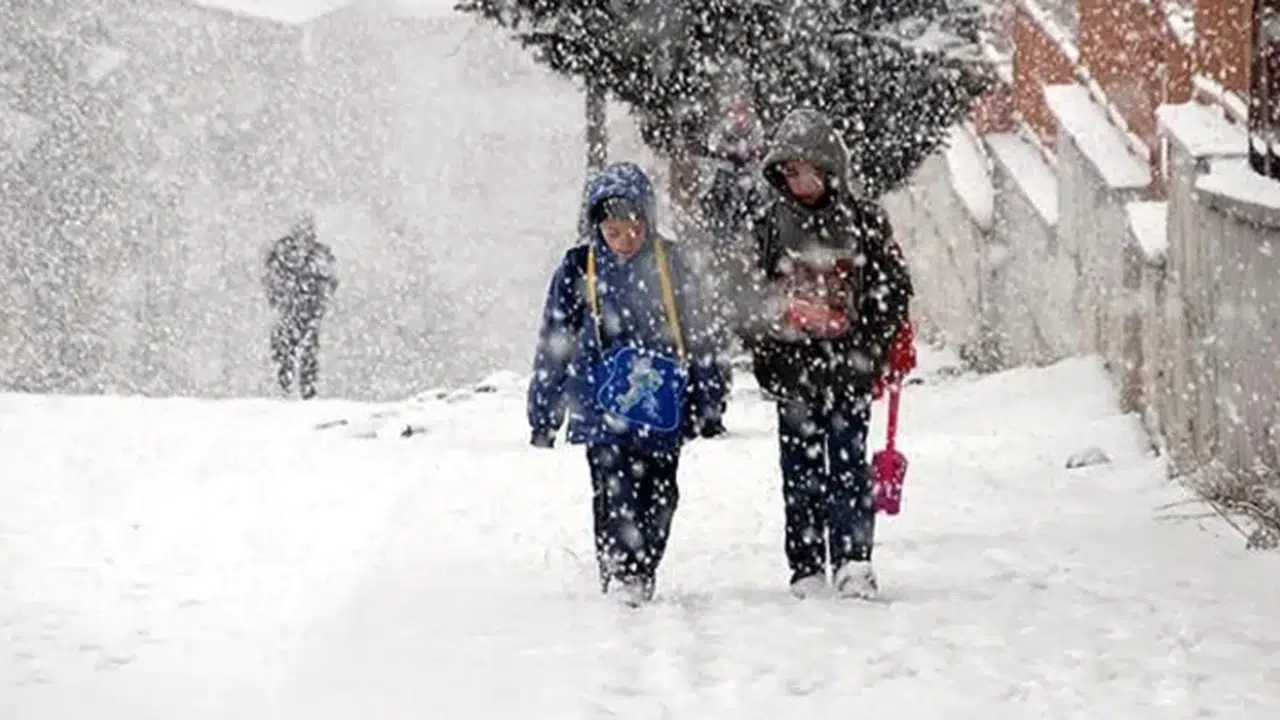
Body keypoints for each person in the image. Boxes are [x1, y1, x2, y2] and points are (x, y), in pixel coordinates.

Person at [733, 108, 916, 600]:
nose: (795, 181)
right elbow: (746, 293)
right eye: (787, 172)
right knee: (801, 470)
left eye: (803, 170)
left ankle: (855, 559)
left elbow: (892, 289)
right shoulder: (769, 223)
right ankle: (807, 564)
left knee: (849, 465)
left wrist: (871, 345)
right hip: (794, 371)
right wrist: (771, 339)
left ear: (827, 166)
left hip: (848, 368)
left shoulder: (863, 220)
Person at [527, 161, 726, 607]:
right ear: (598, 227)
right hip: (600, 401)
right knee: (612, 488)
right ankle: (620, 570)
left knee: (661, 491)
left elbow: (701, 333)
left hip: (662, 402)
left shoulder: (671, 264)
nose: (624, 241)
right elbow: (554, 339)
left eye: (633, 229)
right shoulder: (580, 267)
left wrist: (709, 396)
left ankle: (644, 564)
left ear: (648, 222)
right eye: (613, 232)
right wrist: (544, 410)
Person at [263, 213, 338, 399]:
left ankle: (300, 390)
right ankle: (289, 389)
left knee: (303, 351)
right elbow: (271, 279)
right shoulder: (289, 252)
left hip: (303, 309)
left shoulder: (316, 254)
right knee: (290, 350)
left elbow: (330, 280)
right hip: (294, 308)